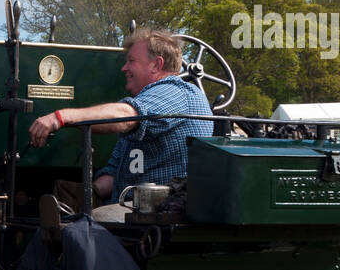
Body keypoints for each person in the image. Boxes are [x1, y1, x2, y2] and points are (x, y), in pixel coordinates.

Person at [29, 27, 213, 217]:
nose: (124, 68)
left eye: (131, 61)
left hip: (167, 207)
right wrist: (91, 191)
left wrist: (60, 117)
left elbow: (126, 114)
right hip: (138, 204)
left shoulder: (175, 91)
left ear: (156, 65)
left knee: (93, 223)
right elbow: (117, 172)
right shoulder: (148, 108)